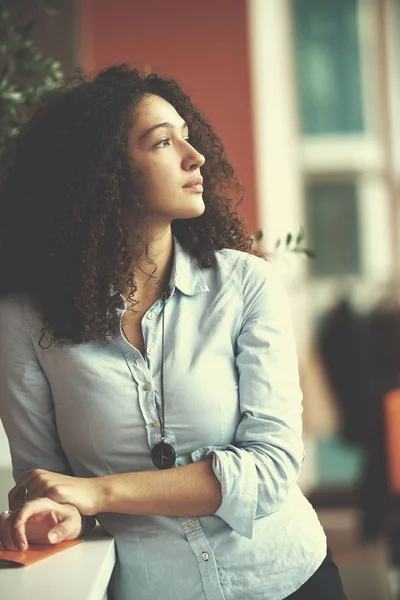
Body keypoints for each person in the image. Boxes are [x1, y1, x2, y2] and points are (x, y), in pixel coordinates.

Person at [0, 64, 346, 600]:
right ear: (102, 173)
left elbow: (273, 468)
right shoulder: (24, 322)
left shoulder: (245, 284)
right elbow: (47, 485)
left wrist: (97, 493)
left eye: (189, 136)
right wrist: (61, 513)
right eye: (163, 142)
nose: (196, 156)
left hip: (287, 580)